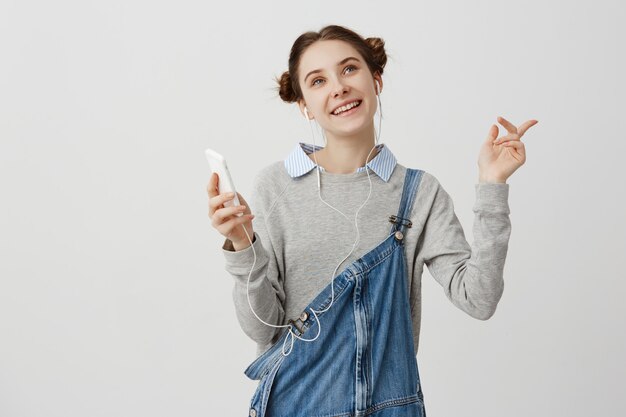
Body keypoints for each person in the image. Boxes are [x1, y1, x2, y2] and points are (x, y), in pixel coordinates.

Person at [207, 24, 537, 417]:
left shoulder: (418, 192)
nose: (339, 87)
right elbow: (264, 329)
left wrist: (491, 185)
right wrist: (243, 247)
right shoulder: (275, 187)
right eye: (318, 81)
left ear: (375, 80)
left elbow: (479, 299)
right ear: (304, 106)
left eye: (349, 69)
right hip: (294, 405)